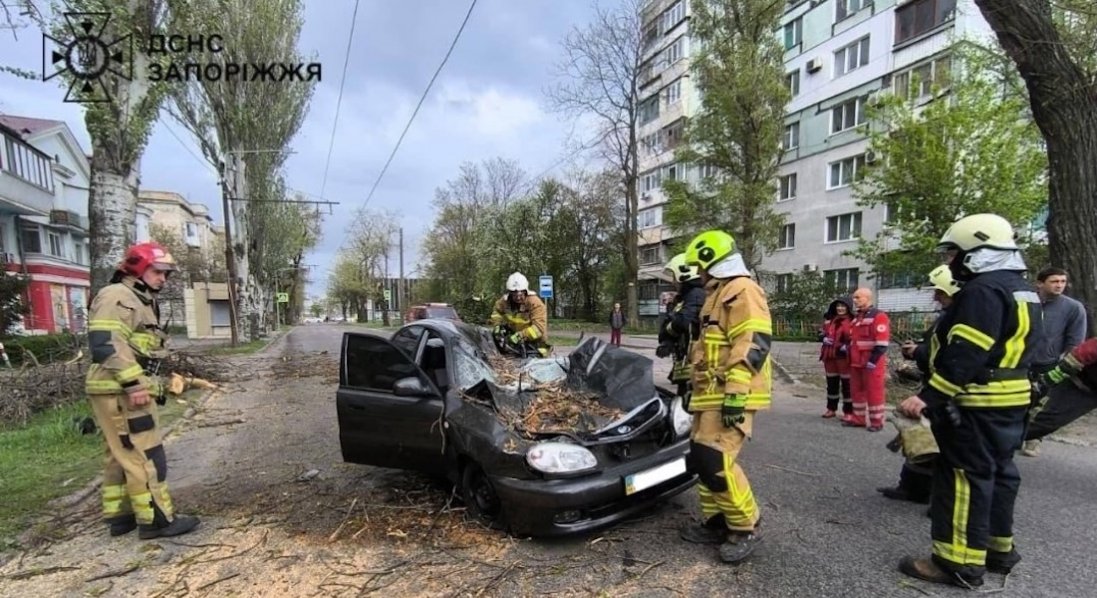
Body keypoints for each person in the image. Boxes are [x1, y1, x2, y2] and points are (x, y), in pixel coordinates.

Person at [897, 213, 1043, 588]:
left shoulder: (981, 292)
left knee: (963, 478)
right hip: (1012, 401)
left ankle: (957, 563)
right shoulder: (1022, 289)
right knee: (1000, 473)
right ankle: (997, 549)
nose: (951, 262)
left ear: (976, 252)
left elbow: (967, 353)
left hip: (977, 402)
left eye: (954, 254)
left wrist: (928, 397)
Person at [85, 242, 200, 539]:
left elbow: (137, 347)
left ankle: (121, 516)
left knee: (120, 453)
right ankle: (157, 520)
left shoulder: (137, 298)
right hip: (121, 391)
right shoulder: (118, 297)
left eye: (166, 274)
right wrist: (134, 383)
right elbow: (106, 344)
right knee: (146, 455)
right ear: (138, 267)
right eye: (158, 271)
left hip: (114, 389)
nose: (164, 279)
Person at [676, 230, 772, 564]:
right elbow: (709, 348)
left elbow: (753, 340)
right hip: (710, 393)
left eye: (699, 267)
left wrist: (736, 392)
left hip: (731, 392)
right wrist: (691, 380)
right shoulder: (718, 293)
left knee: (715, 459)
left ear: (710, 261)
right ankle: (718, 520)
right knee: (701, 459)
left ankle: (746, 526)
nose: (696, 275)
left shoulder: (742, 289)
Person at [878, 265, 962, 504]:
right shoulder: (948, 316)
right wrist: (916, 350)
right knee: (919, 438)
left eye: (940, 292)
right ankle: (913, 488)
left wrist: (919, 351)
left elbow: (953, 356)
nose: (935, 297)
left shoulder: (962, 317)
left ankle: (938, 497)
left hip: (946, 390)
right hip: (934, 384)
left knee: (935, 444)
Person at [1021, 267, 1087, 456]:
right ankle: (1010, 435)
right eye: (1054, 281)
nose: (1059, 285)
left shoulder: (1073, 308)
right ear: (1039, 283)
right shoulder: (1026, 302)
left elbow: (1075, 343)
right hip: (1020, 362)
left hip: (1049, 364)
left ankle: (1033, 439)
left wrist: (1062, 365)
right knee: (1019, 402)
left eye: (1062, 282)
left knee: (1040, 405)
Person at [1025, 337, 1097, 442]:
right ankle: (1000, 442)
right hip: (1081, 385)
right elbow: (1086, 351)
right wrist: (1056, 374)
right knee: (1044, 423)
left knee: (1045, 424)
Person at [656, 253, 705, 399]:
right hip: (687, 360)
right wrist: (668, 341)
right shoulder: (686, 296)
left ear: (683, 274)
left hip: (695, 361)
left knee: (686, 406)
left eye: (674, 276)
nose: (673, 281)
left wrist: (667, 332)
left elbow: (684, 321)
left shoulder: (695, 294)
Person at [844, 288, 890, 431]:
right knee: (856, 391)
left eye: (858, 297)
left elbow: (882, 343)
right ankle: (858, 419)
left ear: (867, 298)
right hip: (856, 361)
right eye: (854, 298)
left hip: (872, 362)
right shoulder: (858, 317)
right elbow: (854, 339)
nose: (855, 300)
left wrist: (873, 360)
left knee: (874, 391)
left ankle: (877, 422)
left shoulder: (879, 316)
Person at [489, 272, 550, 357]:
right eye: (515, 295)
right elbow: (496, 313)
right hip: (515, 347)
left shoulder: (535, 303)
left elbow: (539, 329)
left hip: (535, 347)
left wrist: (520, 336)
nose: (518, 298)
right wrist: (497, 326)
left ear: (525, 291)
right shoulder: (504, 302)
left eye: (520, 294)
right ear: (510, 293)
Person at [819, 296, 853, 419]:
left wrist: (848, 345)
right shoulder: (829, 320)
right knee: (832, 384)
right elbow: (821, 333)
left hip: (845, 357)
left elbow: (856, 338)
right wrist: (823, 338)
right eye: (838, 306)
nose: (840, 308)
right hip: (830, 356)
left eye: (843, 306)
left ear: (848, 308)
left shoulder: (853, 321)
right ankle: (831, 409)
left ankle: (849, 412)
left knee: (847, 385)